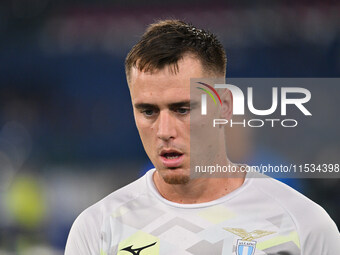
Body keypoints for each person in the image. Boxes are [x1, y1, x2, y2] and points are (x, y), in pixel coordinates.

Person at [65, 20, 339, 255]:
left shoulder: (305, 225)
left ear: (224, 107)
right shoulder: (97, 229)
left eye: (182, 109)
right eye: (148, 111)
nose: (164, 131)